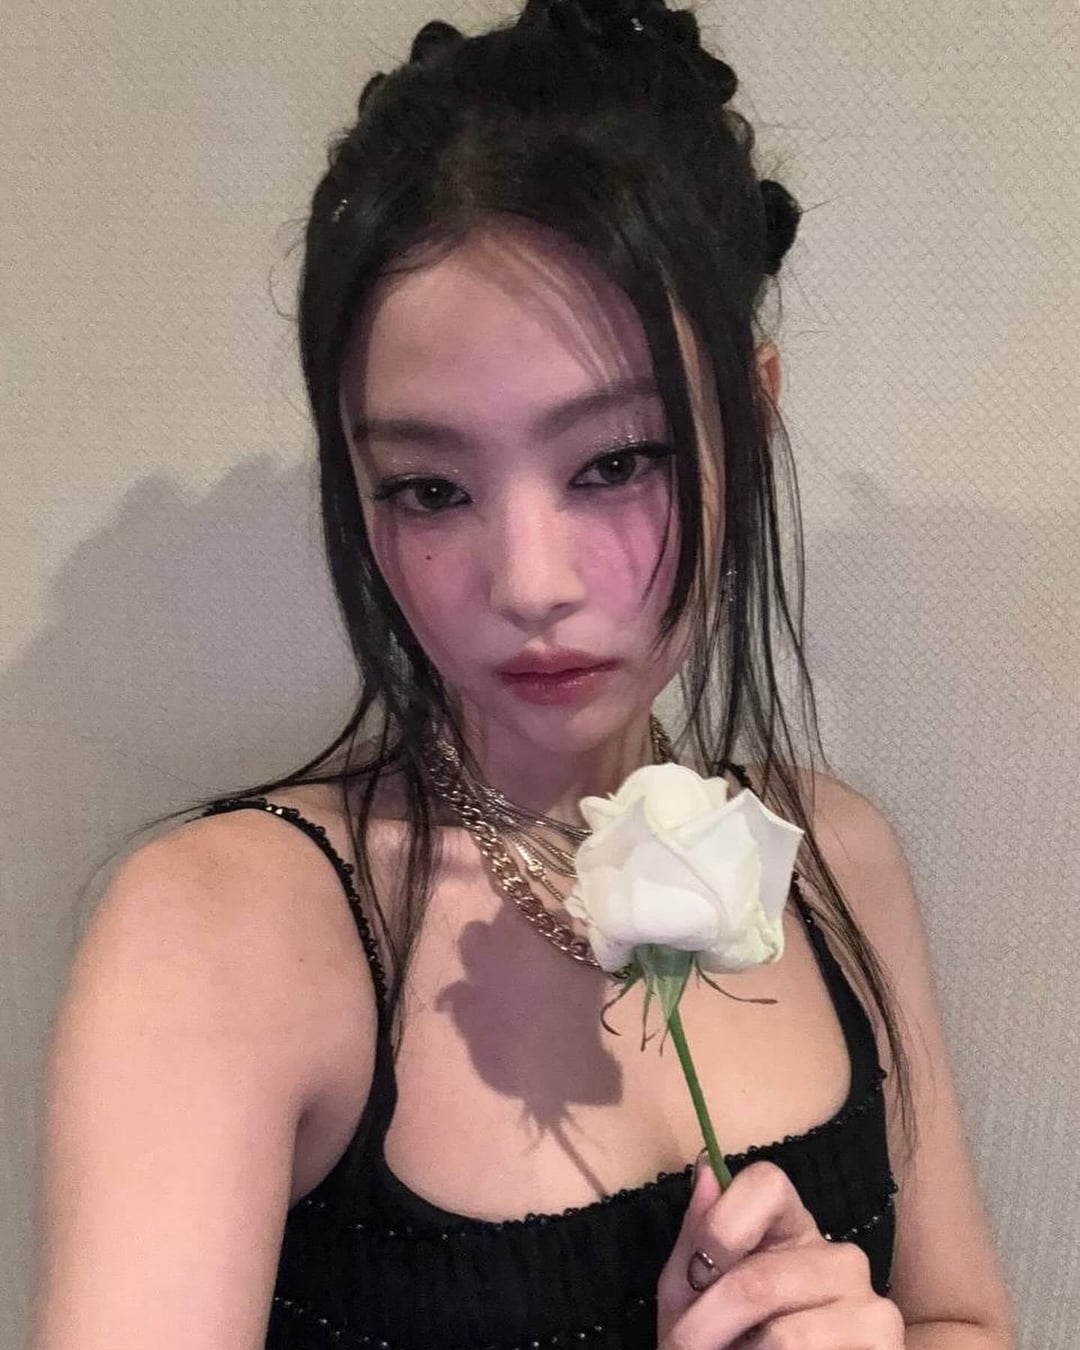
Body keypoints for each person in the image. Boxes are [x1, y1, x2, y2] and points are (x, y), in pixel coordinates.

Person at [27, 1, 1014, 1346]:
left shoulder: (834, 860)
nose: (529, 582)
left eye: (614, 462)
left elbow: (962, 1316)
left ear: (753, 418)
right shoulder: (223, 935)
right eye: (430, 488)